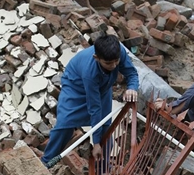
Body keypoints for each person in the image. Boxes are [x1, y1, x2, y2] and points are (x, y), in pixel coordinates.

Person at [41, 34, 139, 165]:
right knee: (64, 125)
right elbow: (94, 107)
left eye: (117, 61)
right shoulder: (89, 72)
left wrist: (132, 88)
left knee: (105, 127)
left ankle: (103, 171)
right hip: (75, 88)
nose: (114, 66)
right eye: (108, 63)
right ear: (96, 58)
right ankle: (46, 162)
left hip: (103, 89)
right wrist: (96, 142)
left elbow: (131, 73)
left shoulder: (118, 51)